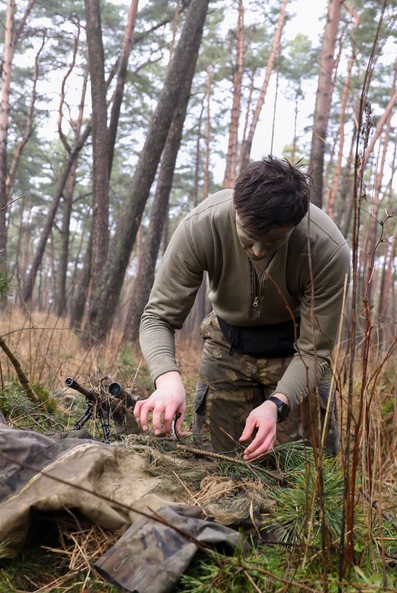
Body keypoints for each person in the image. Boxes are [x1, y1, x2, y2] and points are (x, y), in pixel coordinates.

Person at [134, 156, 350, 461]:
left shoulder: (326, 250)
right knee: (212, 464)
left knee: (303, 473)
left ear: (295, 223)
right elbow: (157, 317)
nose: (259, 251)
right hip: (227, 347)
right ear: (236, 208)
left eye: (273, 241)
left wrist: (278, 403)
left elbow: (316, 351)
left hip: (296, 357)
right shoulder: (202, 227)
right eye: (249, 238)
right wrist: (167, 379)